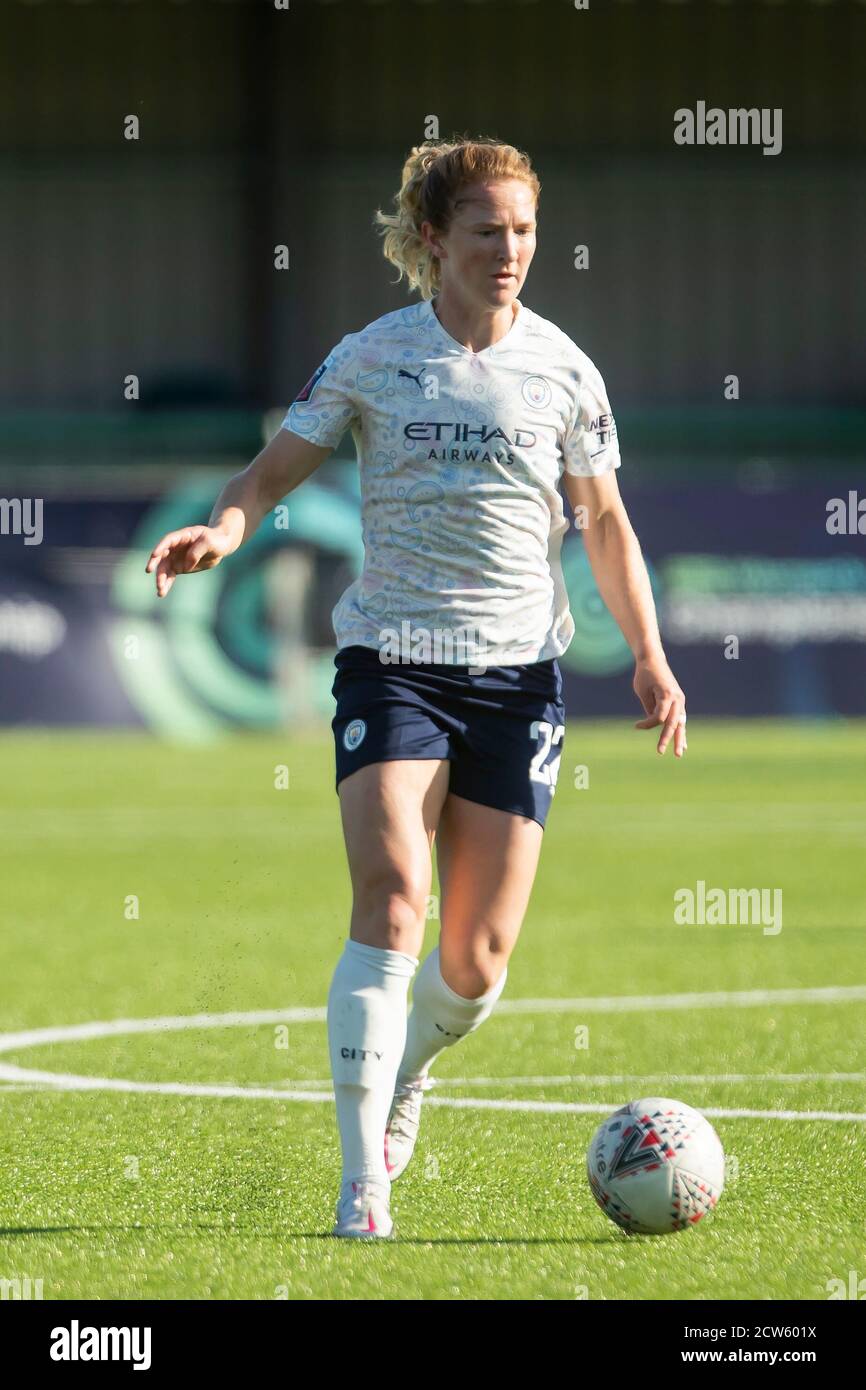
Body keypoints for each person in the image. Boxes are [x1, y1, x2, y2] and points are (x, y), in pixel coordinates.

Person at [145, 137, 687, 1241]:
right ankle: (362, 1189)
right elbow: (268, 474)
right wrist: (225, 527)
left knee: (474, 966)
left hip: (517, 680)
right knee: (392, 897)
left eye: (523, 230)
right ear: (433, 239)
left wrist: (648, 649)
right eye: (486, 230)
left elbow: (607, 523)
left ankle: (409, 1069)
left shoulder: (564, 371)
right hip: (391, 664)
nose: (509, 251)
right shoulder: (370, 357)